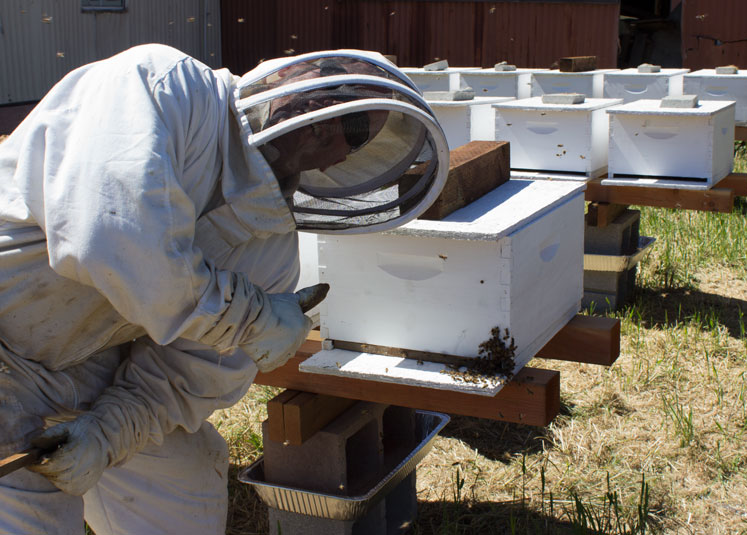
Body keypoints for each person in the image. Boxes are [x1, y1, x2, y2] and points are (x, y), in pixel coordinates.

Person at [0, 44, 449, 535]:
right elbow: (112, 236)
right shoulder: (161, 85)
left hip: (83, 366)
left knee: (187, 491)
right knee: (36, 519)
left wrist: (107, 435)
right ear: (292, 74)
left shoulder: (271, 250)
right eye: (337, 94)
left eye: (358, 133)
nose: (333, 129)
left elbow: (187, 374)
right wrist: (248, 319)